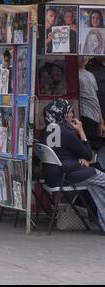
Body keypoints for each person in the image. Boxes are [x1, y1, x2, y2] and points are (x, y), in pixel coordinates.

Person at [42, 99, 105, 232]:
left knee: (97, 187)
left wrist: (79, 157)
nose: (72, 115)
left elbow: (62, 151)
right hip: (68, 174)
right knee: (101, 179)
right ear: (62, 114)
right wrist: (81, 131)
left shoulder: (46, 130)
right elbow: (88, 154)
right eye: (70, 112)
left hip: (53, 175)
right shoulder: (66, 133)